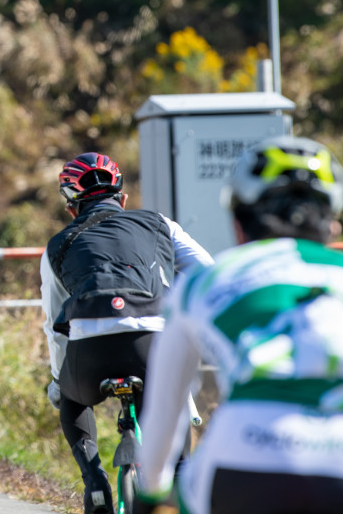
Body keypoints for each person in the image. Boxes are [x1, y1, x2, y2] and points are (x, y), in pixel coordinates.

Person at [136, 136, 343, 514]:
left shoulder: (204, 282)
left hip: (244, 461)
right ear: (332, 223)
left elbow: (166, 408)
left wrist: (152, 492)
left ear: (238, 223)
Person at [40, 152, 212, 514]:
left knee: (71, 399)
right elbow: (208, 274)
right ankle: (176, 487)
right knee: (174, 403)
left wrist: (58, 381)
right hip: (152, 340)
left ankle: (95, 482)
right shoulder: (159, 224)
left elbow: (55, 325)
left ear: (70, 205)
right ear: (124, 197)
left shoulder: (57, 245)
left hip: (90, 349)